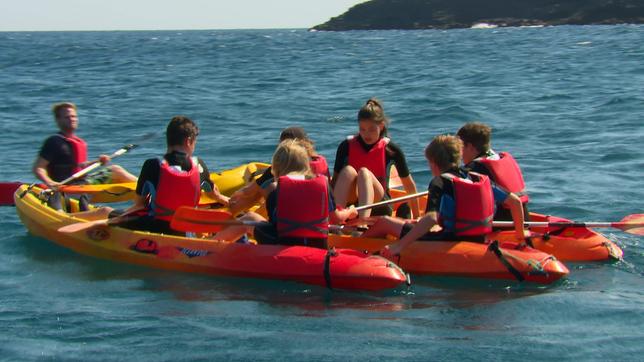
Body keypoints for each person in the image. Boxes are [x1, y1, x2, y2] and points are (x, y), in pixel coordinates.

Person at [366, 135, 526, 258]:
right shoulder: (475, 177)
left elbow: (431, 219)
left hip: (447, 239)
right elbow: (515, 201)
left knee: (384, 222)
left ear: (433, 163)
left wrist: (399, 246)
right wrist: (520, 237)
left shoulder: (439, 182)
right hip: (478, 238)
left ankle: (358, 248)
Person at [214, 139, 357, 249]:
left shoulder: (277, 190)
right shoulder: (323, 184)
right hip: (318, 244)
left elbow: (275, 225)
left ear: (276, 170)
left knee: (249, 218)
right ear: (306, 165)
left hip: (282, 245)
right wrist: (349, 211)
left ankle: (206, 247)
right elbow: (335, 218)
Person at [115, 116, 229, 235]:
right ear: (188, 141)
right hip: (186, 232)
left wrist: (115, 220)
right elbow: (214, 194)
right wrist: (229, 202)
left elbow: (139, 204)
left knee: (105, 210)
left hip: (156, 229)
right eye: (195, 142)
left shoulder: (152, 165)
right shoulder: (199, 166)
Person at [332, 98, 420, 220]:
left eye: (372, 129)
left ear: (381, 126)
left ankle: (362, 222)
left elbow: (409, 185)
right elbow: (335, 182)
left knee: (364, 173)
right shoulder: (345, 146)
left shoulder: (391, 149)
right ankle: (335, 219)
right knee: (348, 171)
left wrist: (416, 217)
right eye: (362, 129)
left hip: (380, 205)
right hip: (352, 206)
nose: (366, 134)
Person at [228, 126, 330, 215]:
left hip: (293, 214)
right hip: (321, 212)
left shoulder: (287, 165)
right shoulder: (320, 161)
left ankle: (233, 212)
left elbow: (249, 191)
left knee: (262, 187)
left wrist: (232, 196)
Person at [32, 102, 136, 190]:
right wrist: (50, 182)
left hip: (83, 183)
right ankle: (147, 188)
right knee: (115, 170)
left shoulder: (78, 141)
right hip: (67, 187)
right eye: (67, 117)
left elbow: (79, 165)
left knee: (115, 170)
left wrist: (98, 161)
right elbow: (38, 168)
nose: (72, 119)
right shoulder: (54, 142)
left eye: (73, 116)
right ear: (58, 120)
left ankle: (145, 193)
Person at [457, 122, 530, 221]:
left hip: (503, 226)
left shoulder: (474, 169)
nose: (459, 153)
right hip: (524, 219)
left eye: (459, 147)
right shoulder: (499, 158)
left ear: (470, 146)